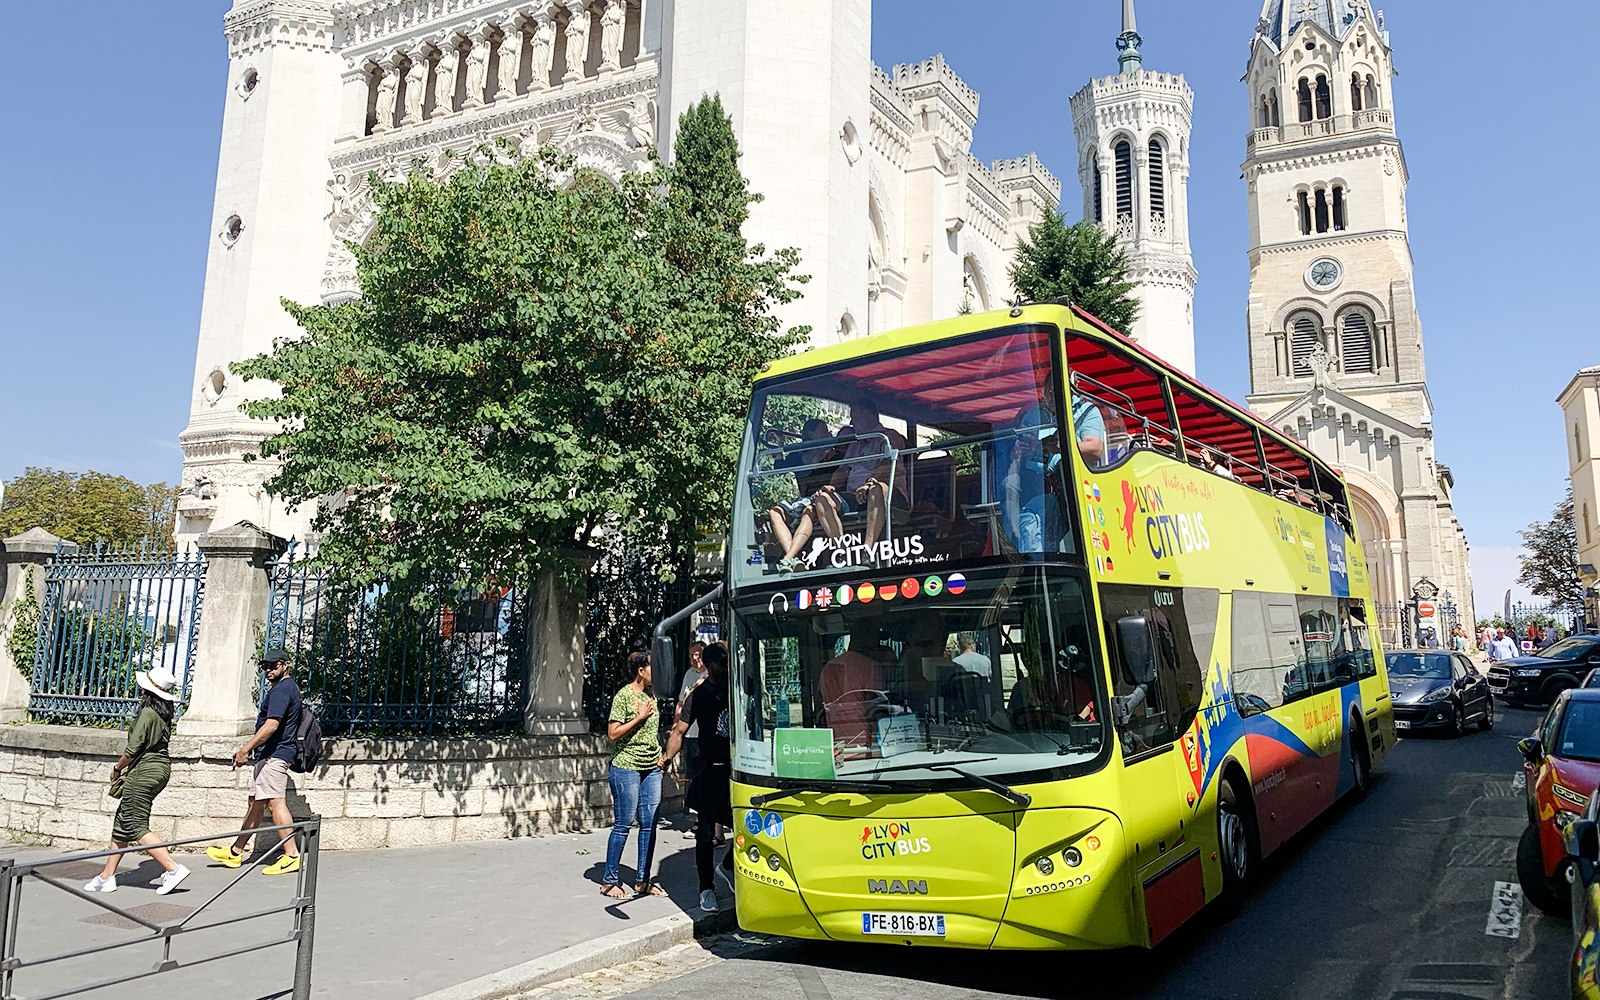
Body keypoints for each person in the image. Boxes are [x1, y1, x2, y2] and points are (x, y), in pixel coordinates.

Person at [83, 666, 190, 894]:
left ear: (147, 688)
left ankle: (173, 868)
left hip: (144, 770)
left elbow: (133, 748)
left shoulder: (147, 712)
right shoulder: (162, 714)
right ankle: (106, 876)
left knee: (136, 824)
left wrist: (117, 768)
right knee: (123, 823)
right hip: (159, 768)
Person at [205, 649, 303, 875]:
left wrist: (245, 749)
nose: (268, 669)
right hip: (270, 754)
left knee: (275, 803)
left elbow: (271, 725)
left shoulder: (282, 690)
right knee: (255, 803)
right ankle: (236, 852)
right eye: (265, 666)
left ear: (285, 665)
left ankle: (292, 855)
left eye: (273, 665)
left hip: (276, 755)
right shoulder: (284, 689)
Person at [661, 642, 734, 914]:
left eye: (728, 662)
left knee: (748, 828)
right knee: (704, 833)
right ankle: (707, 888)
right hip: (708, 770)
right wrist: (668, 756)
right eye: (721, 663)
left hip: (734, 771)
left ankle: (727, 866)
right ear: (710, 664)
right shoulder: (699, 695)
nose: (725, 667)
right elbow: (679, 731)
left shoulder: (737, 690)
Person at [600, 651, 665, 899]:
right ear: (641, 671)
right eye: (652, 668)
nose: (656, 674)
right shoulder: (624, 697)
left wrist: (660, 755)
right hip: (626, 766)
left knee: (649, 825)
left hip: (651, 768)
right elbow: (613, 734)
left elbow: (650, 733)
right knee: (624, 824)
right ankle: (609, 880)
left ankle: (642, 880)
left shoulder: (651, 697)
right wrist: (639, 717)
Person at [815, 399, 909, 550]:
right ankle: (841, 551)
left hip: (889, 495)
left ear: (866, 414)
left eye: (854, 417)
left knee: (875, 489)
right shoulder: (855, 444)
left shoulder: (889, 437)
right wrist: (831, 486)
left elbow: (888, 463)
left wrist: (870, 482)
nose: (852, 423)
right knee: (822, 499)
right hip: (855, 495)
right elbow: (843, 469)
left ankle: (868, 549)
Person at [768, 419, 841, 572]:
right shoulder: (797, 457)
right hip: (803, 500)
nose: (828, 434)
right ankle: (792, 558)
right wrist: (780, 445)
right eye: (824, 431)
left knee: (808, 511)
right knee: (774, 513)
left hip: (821, 499)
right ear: (811, 435)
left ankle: (787, 559)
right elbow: (778, 468)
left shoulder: (833, 456)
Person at [819, 623, 890, 748]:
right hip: (866, 747)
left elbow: (821, 707)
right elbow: (878, 711)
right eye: (878, 642)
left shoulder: (828, 668)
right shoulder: (869, 666)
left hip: (836, 747)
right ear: (872, 640)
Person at [673, 641, 712, 840]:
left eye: (697, 654)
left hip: (707, 735)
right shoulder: (689, 674)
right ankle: (698, 821)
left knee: (706, 779)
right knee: (693, 778)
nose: (694, 659)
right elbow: (681, 702)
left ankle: (705, 823)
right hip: (690, 734)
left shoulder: (712, 676)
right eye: (691, 655)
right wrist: (675, 727)